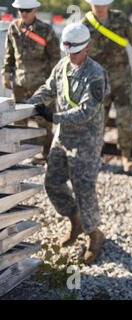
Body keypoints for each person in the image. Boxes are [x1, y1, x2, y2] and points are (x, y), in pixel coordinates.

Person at [26, 23, 110, 264]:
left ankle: (95, 234)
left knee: (84, 189)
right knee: (51, 182)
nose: (70, 56)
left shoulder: (96, 74)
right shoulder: (63, 65)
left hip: (86, 141)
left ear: (87, 48)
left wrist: (53, 117)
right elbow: (49, 88)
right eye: (67, 51)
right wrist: (29, 104)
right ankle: (76, 221)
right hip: (63, 138)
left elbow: (87, 111)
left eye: (75, 52)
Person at [81, 0, 132, 172]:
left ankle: (126, 157)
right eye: (96, 4)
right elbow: (78, 53)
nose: (99, 7)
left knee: (125, 118)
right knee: (97, 121)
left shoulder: (120, 19)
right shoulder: (84, 25)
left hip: (121, 80)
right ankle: (94, 158)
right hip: (97, 82)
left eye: (102, 3)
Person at [1, 0, 60, 160]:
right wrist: (6, 73)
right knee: (19, 121)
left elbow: (55, 58)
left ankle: (46, 154)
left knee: (43, 121)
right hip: (20, 84)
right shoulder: (14, 28)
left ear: (35, 10)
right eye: (20, 10)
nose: (23, 13)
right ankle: (20, 154)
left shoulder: (45, 30)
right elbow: (10, 55)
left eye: (27, 10)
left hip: (41, 85)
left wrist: (53, 83)